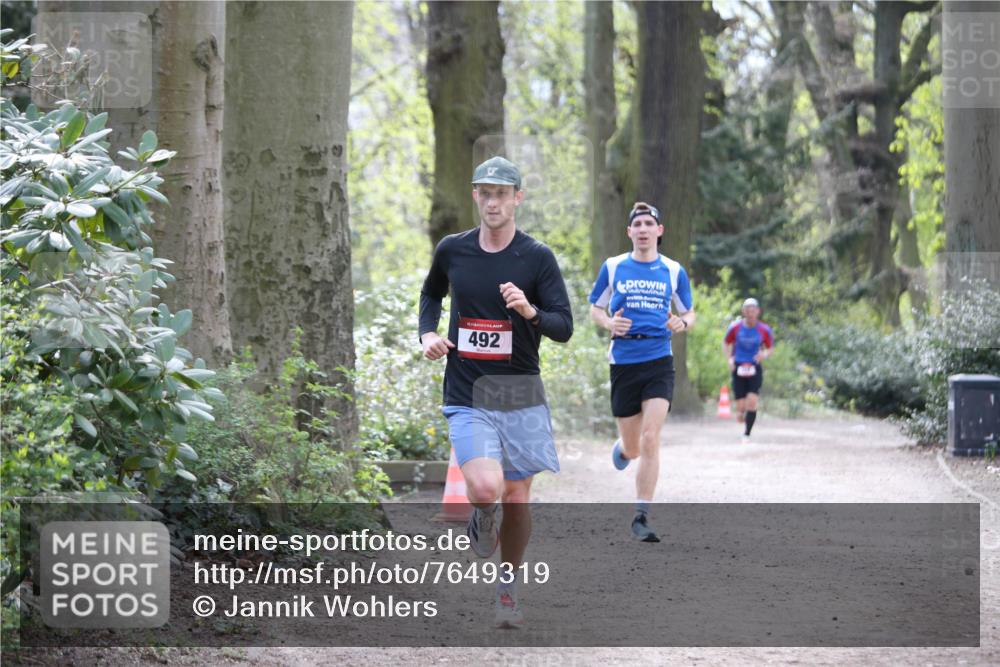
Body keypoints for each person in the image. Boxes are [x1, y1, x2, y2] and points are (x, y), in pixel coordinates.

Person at [419, 156, 573, 628]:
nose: (493, 202)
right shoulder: (453, 250)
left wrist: (529, 311)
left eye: (502, 194)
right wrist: (427, 335)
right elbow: (431, 296)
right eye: (485, 193)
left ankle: (508, 589)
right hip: (467, 390)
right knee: (487, 488)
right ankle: (482, 516)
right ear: (475, 196)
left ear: (517, 199)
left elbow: (563, 327)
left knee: (518, 496)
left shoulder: (537, 257)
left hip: (520, 392)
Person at [589, 202, 695, 543]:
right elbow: (595, 307)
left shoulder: (674, 270)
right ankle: (623, 449)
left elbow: (690, 312)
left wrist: (682, 322)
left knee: (652, 437)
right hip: (623, 361)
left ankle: (641, 515)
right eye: (638, 224)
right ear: (630, 232)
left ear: (659, 231)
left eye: (650, 223)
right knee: (634, 447)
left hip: (658, 360)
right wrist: (608, 322)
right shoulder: (614, 266)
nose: (644, 229)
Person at [723, 298, 774, 443]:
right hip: (738, 367)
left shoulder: (764, 329)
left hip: (754, 367)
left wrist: (763, 354)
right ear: (744, 312)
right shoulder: (735, 327)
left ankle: (747, 434)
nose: (751, 314)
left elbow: (770, 348)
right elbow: (726, 343)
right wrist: (729, 359)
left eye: (753, 311)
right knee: (740, 407)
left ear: (758, 312)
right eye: (748, 311)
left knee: (752, 401)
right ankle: (740, 413)